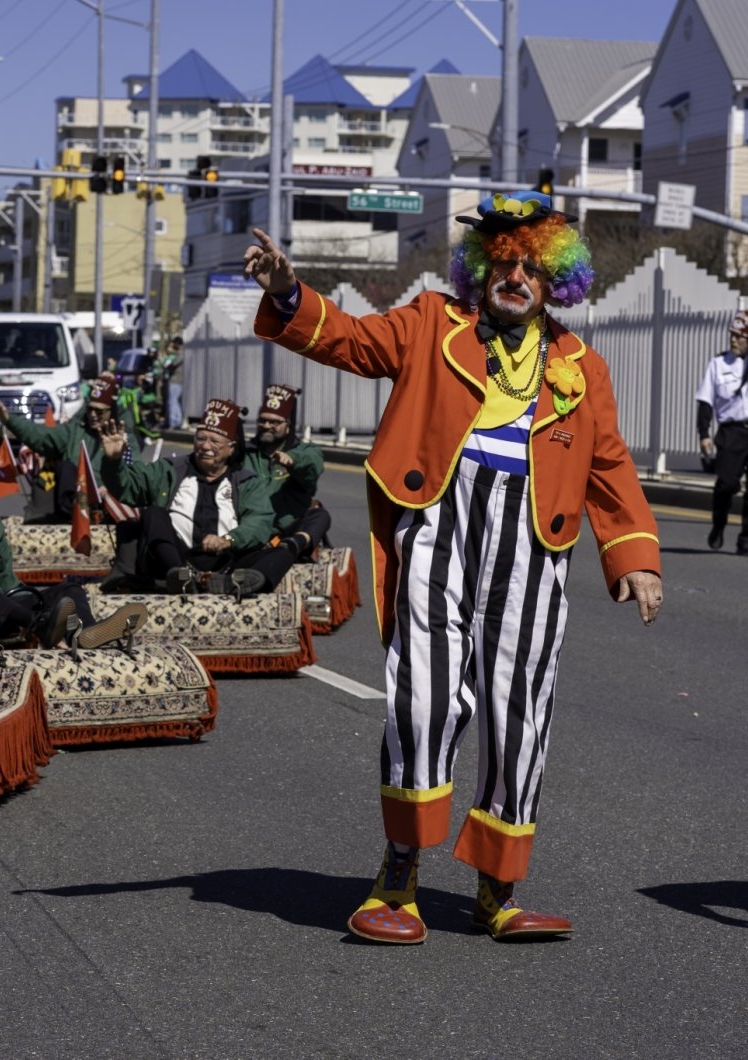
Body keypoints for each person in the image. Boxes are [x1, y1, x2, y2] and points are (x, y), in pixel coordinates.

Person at [245, 192, 663, 944]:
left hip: (536, 537)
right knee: (426, 697)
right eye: (504, 263)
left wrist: (634, 555)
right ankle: (399, 874)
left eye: (534, 268)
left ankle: (497, 888)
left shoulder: (580, 364)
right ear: (481, 270)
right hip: (440, 515)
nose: (517, 277)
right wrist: (286, 290)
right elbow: (348, 339)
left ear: (555, 281)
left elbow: (609, 464)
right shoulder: (432, 324)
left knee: (520, 711)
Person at [0, 406, 146, 648]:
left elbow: (8, 581)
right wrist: (30, 617)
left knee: (68, 592)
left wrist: (36, 603)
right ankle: (50, 629)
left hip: (5, 606)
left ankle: (86, 636)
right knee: (10, 602)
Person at [98, 397, 291, 595]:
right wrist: (113, 462)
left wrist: (229, 540)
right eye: (200, 438)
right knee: (154, 513)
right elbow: (130, 487)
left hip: (226, 560)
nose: (205, 446)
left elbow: (260, 520)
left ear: (232, 447)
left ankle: (231, 583)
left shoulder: (246, 481)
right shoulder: (169, 470)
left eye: (214, 441)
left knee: (281, 554)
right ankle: (181, 578)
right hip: (174, 560)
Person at [0, 377, 140, 524]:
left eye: (99, 412)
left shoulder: (124, 437)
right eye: (90, 409)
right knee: (65, 467)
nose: (92, 415)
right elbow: (41, 436)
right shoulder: (75, 431)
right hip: (74, 503)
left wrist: (108, 489)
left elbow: (135, 473)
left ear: (112, 411)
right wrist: (8, 418)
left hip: (107, 504)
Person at [243, 383, 331, 560]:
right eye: (262, 420)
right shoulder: (244, 453)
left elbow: (312, 462)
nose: (266, 425)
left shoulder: (303, 451)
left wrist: (292, 460)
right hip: (250, 525)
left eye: (274, 422)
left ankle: (295, 543)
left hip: (288, 528)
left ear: (288, 426)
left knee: (319, 514)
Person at [695, 307, 748, 553]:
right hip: (731, 432)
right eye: (733, 335)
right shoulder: (718, 363)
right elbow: (705, 400)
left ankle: (745, 538)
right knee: (726, 484)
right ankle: (719, 524)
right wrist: (704, 433)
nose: (734, 339)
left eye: (740, 336)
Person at [158, 336, 185, 428]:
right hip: (181, 381)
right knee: (176, 402)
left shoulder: (181, 354)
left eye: (173, 344)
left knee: (172, 401)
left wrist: (165, 357)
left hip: (175, 380)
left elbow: (169, 365)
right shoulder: (183, 353)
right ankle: (176, 421)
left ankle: (174, 422)